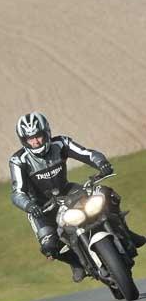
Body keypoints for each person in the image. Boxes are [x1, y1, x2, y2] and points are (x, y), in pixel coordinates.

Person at [9, 112, 145, 282]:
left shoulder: (61, 143)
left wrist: (101, 163)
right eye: (31, 139)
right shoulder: (18, 160)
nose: (36, 141)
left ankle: (127, 233)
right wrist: (29, 206)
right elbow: (17, 192)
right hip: (41, 207)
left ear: (47, 133)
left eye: (39, 136)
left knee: (104, 193)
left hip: (68, 190)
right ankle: (76, 263)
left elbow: (87, 153)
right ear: (24, 140)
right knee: (49, 246)